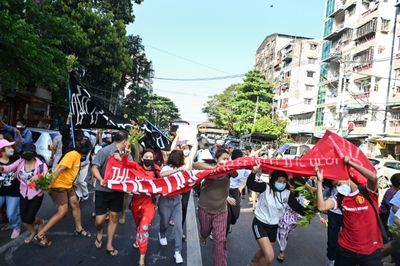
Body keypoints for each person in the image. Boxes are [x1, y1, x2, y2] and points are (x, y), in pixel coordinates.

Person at [315, 156, 384, 266]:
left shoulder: (368, 193)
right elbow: (321, 207)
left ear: (344, 175)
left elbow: (373, 178)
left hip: (370, 251)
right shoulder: (340, 198)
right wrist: (319, 182)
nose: (338, 188)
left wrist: (350, 163)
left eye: (338, 184)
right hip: (346, 250)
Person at [34, 138, 92, 246]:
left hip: (68, 186)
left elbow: (70, 171)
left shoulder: (77, 156)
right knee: (62, 211)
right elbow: (61, 168)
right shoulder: (73, 155)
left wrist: (72, 182)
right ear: (87, 151)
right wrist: (49, 182)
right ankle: (40, 235)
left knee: (75, 203)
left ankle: (79, 229)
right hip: (58, 186)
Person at [246, 167, 305, 266]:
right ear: (273, 181)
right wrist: (253, 172)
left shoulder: (287, 193)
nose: (282, 183)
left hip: (273, 226)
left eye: (284, 182)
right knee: (269, 256)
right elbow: (250, 185)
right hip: (260, 224)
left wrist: (311, 211)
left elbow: (297, 207)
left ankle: (252, 263)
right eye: (279, 181)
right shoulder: (265, 187)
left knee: (264, 252)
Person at [91, 130, 130, 256]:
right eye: (127, 141)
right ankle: (99, 231)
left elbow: (130, 169)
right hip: (102, 190)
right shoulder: (105, 151)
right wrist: (101, 180)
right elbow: (94, 167)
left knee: (114, 217)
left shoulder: (127, 154)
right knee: (100, 220)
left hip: (117, 191)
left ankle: (109, 244)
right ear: (124, 141)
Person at [0, 142, 47, 243]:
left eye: (29, 152)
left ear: (34, 153)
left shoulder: (40, 165)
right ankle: (33, 231)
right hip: (23, 192)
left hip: (36, 194)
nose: (26, 155)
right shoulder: (20, 161)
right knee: (24, 218)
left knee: (28, 218)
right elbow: (9, 168)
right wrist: (2, 168)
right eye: (24, 153)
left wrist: (38, 177)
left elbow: (46, 175)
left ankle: (41, 222)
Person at [196, 149, 236, 266]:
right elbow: (196, 165)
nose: (226, 161)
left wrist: (230, 166)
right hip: (204, 208)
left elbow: (235, 173)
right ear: (216, 159)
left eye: (228, 158)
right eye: (224, 158)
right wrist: (213, 168)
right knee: (204, 231)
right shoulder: (210, 167)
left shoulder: (229, 170)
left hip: (221, 210)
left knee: (220, 240)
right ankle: (203, 236)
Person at [130, 149, 160, 266]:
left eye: (151, 158)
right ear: (142, 158)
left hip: (149, 204)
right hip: (136, 204)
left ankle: (141, 257)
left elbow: (162, 183)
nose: (148, 159)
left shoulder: (156, 171)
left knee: (144, 228)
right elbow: (124, 165)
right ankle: (138, 240)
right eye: (146, 157)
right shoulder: (135, 168)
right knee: (138, 226)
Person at [158, 150, 186, 264]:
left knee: (179, 227)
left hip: (177, 200)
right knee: (164, 222)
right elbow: (161, 174)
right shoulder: (166, 168)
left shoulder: (183, 169)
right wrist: (176, 170)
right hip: (165, 199)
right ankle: (162, 233)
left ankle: (177, 251)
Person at [0, 139, 21, 239]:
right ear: (2, 150)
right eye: (9, 147)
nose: (12, 149)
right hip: (0, 193)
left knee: (11, 213)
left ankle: (16, 227)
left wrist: (19, 173)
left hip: (13, 192)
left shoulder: (16, 159)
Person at [227, 149, 251, 235]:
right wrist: (226, 197)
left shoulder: (243, 166)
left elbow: (250, 175)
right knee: (225, 213)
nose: (238, 161)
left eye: (240, 159)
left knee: (235, 213)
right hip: (224, 190)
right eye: (236, 159)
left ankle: (229, 224)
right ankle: (216, 230)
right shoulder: (227, 165)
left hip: (235, 191)